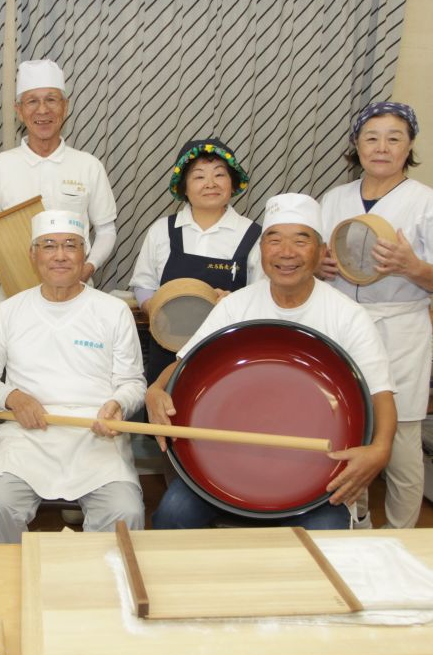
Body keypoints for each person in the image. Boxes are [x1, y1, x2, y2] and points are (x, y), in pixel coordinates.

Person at [146, 193, 396, 531]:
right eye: (274, 240)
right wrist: (156, 390)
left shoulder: (348, 316)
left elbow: (381, 394)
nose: (286, 252)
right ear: (261, 250)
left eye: (300, 240)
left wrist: (380, 450)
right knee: (171, 517)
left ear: (322, 251)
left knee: (329, 535)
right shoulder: (236, 306)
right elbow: (183, 363)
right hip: (228, 463)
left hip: (316, 476)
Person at [319, 102, 433, 529]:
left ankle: (403, 533)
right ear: (356, 145)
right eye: (371, 137)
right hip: (342, 326)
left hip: (399, 327)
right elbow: (314, 258)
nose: (381, 147)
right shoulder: (334, 199)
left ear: (409, 147)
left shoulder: (430, 204)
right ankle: (357, 522)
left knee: (401, 439)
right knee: (348, 427)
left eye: (394, 138)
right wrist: (320, 266)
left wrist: (413, 267)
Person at [0, 210, 147, 543]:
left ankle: (100, 590)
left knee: (125, 512)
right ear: (33, 255)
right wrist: (12, 397)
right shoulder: (10, 310)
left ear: (84, 254)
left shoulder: (112, 311)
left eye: (71, 245)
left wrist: (118, 404)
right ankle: (1, 591)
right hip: (27, 438)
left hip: (96, 437)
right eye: (49, 246)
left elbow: (133, 383)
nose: (60, 255)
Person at [0, 59, 117, 287]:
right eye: (32, 101)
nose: (43, 110)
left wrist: (87, 269)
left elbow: (106, 230)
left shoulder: (88, 165)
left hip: (78, 289)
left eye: (51, 100)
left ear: (65, 107)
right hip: (16, 291)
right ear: (19, 110)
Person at [130, 138, 261, 382]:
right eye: (199, 176)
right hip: (167, 347)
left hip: (225, 353)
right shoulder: (162, 230)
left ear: (233, 183)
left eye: (219, 175)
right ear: (184, 187)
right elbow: (143, 283)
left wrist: (235, 303)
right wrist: (154, 309)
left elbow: (262, 294)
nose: (210, 184)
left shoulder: (253, 235)